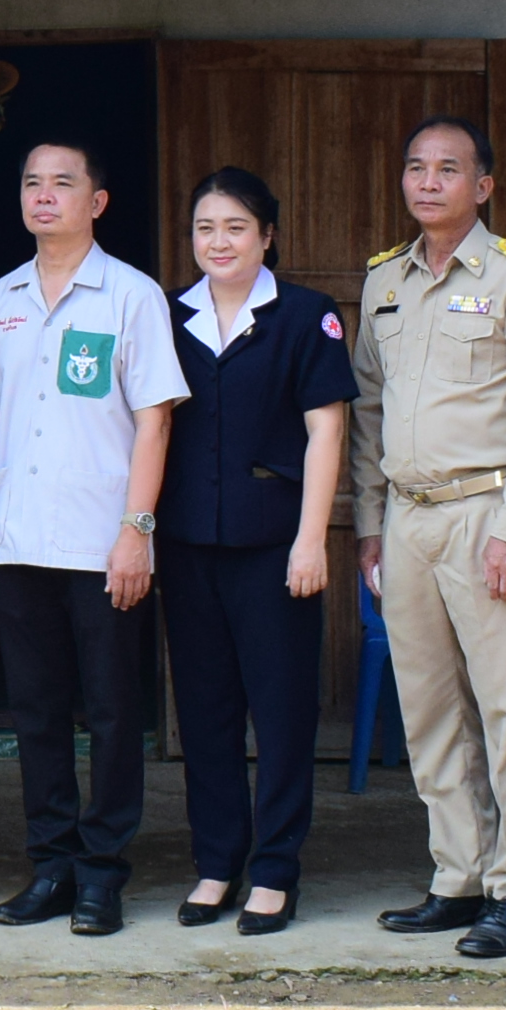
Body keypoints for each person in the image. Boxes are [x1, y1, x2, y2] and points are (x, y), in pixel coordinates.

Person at [354, 115, 506, 961]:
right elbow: (368, 410)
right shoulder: (385, 280)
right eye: (416, 167)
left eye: (448, 169)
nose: (428, 182)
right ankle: (460, 875)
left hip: (489, 514)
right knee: (430, 708)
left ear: (482, 187)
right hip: (408, 519)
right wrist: (370, 521)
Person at [0, 138, 186, 939]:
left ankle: (102, 873)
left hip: (101, 543)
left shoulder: (131, 296)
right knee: (36, 711)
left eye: (63, 183)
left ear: (98, 201)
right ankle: (50, 865)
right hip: (17, 540)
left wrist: (136, 532)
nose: (44, 196)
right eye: (32, 183)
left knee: (114, 712)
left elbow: (155, 421)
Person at [156, 165, 354, 936]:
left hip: (274, 545)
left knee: (280, 713)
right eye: (206, 228)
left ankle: (274, 870)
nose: (219, 242)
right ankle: (216, 863)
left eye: (236, 227)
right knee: (205, 713)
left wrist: (311, 539)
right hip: (188, 543)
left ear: (267, 236)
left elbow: (326, 431)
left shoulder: (305, 316)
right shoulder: (168, 315)